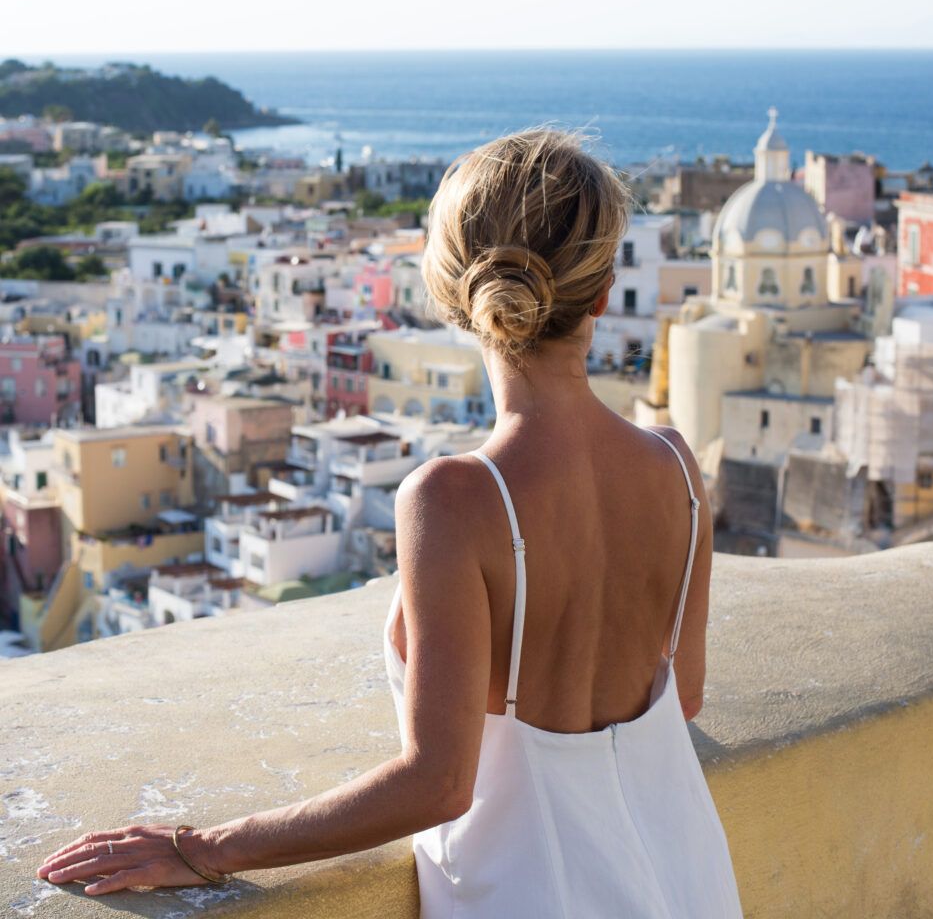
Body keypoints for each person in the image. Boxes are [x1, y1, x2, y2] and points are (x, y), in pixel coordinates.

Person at [36, 128, 744, 916]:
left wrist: (202, 849)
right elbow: (681, 699)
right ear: (606, 289)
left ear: (450, 293)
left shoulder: (453, 500)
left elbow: (438, 783)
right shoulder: (677, 469)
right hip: (684, 880)